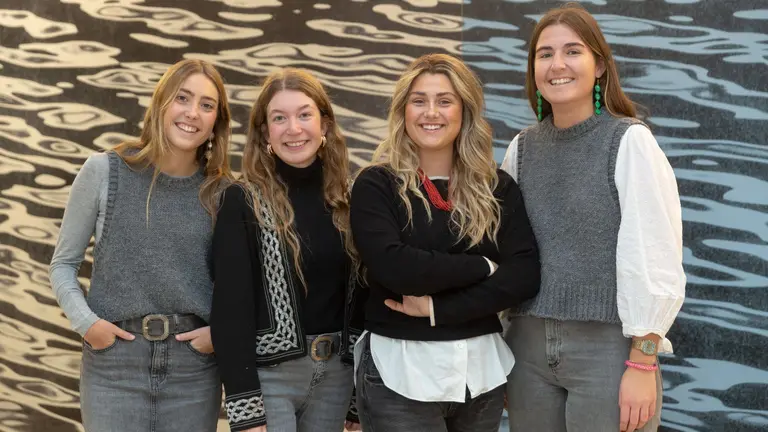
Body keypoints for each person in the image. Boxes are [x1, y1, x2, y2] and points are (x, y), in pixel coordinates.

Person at [500, 3, 686, 432]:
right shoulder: (521, 150)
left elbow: (655, 251)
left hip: (609, 352)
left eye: (572, 51)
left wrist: (643, 362)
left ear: (599, 65)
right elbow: (507, 255)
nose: (557, 65)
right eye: (544, 54)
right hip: (525, 351)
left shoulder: (629, 142)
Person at [350, 53, 540, 432]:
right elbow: (396, 269)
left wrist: (437, 308)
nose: (430, 112)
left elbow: (524, 276)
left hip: (480, 375)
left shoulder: (496, 187)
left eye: (444, 101)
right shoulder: (376, 185)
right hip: (399, 374)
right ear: (403, 111)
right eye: (418, 101)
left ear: (464, 111)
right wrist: (483, 267)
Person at [49, 59, 232, 432]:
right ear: (162, 102)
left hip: (194, 371)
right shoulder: (103, 171)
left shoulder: (223, 193)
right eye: (182, 98)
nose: (192, 113)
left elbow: (244, 286)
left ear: (217, 122)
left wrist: (220, 334)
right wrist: (88, 325)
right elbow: (63, 265)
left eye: (207, 105)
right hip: (113, 367)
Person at [211, 68, 363, 432]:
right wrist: (245, 408)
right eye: (279, 118)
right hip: (270, 381)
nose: (293, 129)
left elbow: (365, 300)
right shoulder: (243, 201)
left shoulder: (351, 198)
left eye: (304, 114)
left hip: (337, 379)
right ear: (265, 132)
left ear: (324, 124)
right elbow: (230, 311)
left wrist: (356, 400)